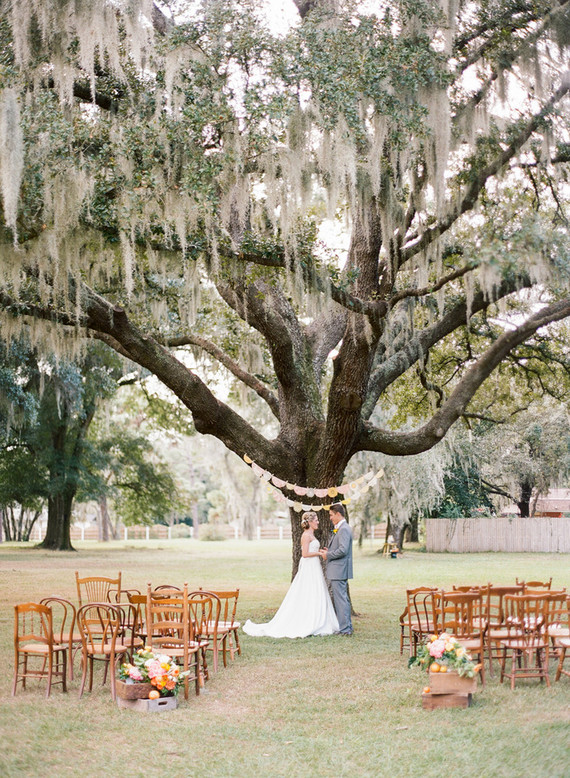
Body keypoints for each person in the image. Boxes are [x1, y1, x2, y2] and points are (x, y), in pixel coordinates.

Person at [243, 511, 339, 638]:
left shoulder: (311, 534)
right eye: (316, 520)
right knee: (308, 590)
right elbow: (305, 554)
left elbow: (311, 550)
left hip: (314, 565)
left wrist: (319, 552)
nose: (318, 522)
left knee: (315, 590)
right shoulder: (306, 535)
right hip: (309, 565)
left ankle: (318, 617)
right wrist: (319, 554)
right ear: (310, 522)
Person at [320, 502, 353, 635]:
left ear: (338, 514)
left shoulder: (344, 528)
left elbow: (343, 550)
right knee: (343, 599)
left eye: (331, 515)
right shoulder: (341, 528)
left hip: (339, 569)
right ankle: (347, 627)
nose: (330, 518)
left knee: (341, 600)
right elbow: (339, 547)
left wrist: (328, 555)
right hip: (339, 569)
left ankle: (345, 629)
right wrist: (331, 549)